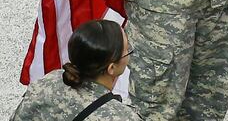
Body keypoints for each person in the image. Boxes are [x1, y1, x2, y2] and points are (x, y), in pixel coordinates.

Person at [11, 19, 141, 120]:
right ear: (111, 68)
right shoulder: (121, 117)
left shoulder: (49, 80)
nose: (129, 52)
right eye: (127, 49)